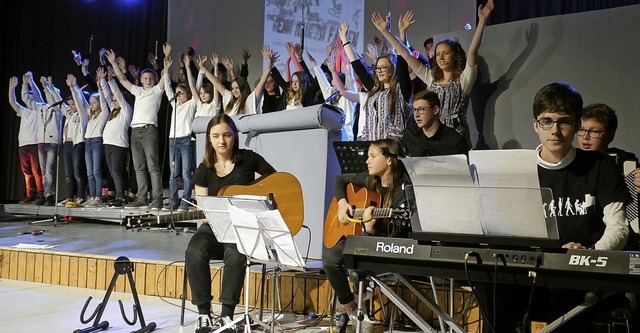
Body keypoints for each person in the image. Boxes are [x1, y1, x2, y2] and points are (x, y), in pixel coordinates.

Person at [489, 82, 630, 333]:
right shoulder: (515, 167)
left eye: (564, 122)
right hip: (528, 274)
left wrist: (588, 254)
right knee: (493, 290)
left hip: (580, 275)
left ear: (576, 126)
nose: (555, 130)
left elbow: (618, 228)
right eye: (547, 121)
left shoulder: (600, 166)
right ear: (536, 125)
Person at [185, 114, 276, 333]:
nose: (222, 141)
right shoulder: (204, 168)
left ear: (234, 135)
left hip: (242, 228)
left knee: (236, 254)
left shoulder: (249, 159)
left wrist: (257, 200)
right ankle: (204, 314)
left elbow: (276, 182)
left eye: (227, 135)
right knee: (194, 251)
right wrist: (212, 213)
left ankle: (227, 315)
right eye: (216, 136)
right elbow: (203, 209)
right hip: (214, 227)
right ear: (209, 138)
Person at [373, 1, 495, 147]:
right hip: (431, 136)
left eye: (445, 53)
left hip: (456, 137)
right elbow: (405, 54)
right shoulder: (431, 78)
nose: (441, 58)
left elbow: (472, 52)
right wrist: (385, 32)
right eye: (438, 54)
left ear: (455, 56)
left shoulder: (463, 80)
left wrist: (482, 21)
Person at [322, 139, 412, 332]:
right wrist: (342, 204)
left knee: (356, 259)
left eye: (373, 156)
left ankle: (358, 303)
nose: (367, 161)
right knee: (329, 258)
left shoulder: (403, 190)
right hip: (362, 239)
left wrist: (371, 230)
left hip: (386, 246)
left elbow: (401, 234)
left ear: (389, 160)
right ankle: (350, 306)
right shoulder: (371, 179)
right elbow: (340, 180)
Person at [106, 48, 166, 209]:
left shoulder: (156, 91)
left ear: (154, 80)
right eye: (145, 78)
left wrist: (165, 59)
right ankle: (141, 197)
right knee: (138, 167)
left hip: (149, 131)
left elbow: (164, 77)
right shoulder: (137, 91)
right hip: (135, 132)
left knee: (152, 166)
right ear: (141, 79)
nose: (148, 80)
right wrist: (112, 62)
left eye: (150, 78)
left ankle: (157, 199)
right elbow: (121, 78)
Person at [339, 21, 412, 141]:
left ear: (393, 69)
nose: (380, 71)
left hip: (394, 147)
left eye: (384, 67)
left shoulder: (401, 90)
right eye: (377, 68)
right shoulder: (375, 89)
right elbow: (358, 67)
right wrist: (344, 39)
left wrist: (403, 34)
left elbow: (403, 63)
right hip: (373, 146)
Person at [162, 50, 197, 212]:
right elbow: (168, 88)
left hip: (185, 141)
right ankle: (173, 201)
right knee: (173, 174)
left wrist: (188, 67)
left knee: (186, 174)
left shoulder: (191, 104)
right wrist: (166, 70)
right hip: (173, 141)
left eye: (181, 93)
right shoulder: (174, 104)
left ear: (187, 94)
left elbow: (193, 86)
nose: (178, 94)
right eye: (178, 93)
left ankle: (185, 201)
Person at [578, 103, 640, 193]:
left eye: (594, 131)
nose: (585, 136)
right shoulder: (569, 159)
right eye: (581, 130)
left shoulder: (624, 161)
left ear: (610, 136)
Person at [201, 46, 277, 116]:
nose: (234, 91)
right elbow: (216, 82)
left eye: (237, 88)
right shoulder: (229, 98)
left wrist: (269, 64)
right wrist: (204, 69)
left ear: (243, 88)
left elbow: (262, 82)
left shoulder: (249, 100)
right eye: (233, 88)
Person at [100, 66, 133, 208]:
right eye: (113, 101)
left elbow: (118, 95)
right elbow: (108, 96)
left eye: (116, 100)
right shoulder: (113, 111)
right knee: (113, 172)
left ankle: (121, 196)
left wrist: (112, 82)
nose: (114, 101)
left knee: (117, 171)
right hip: (108, 144)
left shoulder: (126, 111)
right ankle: (120, 194)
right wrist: (102, 81)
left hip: (119, 145)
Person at [8, 75, 44, 204]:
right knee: (26, 172)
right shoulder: (23, 111)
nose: (29, 99)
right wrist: (11, 88)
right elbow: (12, 102)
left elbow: (38, 96)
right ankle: (31, 193)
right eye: (28, 97)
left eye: (31, 97)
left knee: (36, 170)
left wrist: (29, 83)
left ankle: (40, 193)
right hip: (23, 144)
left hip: (34, 143)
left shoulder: (38, 109)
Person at [400, 90, 468, 157]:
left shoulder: (454, 141)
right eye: (414, 110)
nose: (416, 115)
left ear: (435, 110)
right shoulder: (410, 134)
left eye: (421, 110)